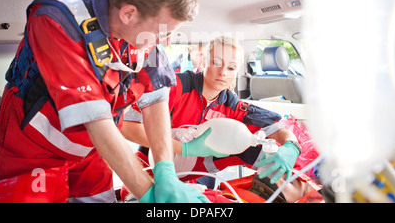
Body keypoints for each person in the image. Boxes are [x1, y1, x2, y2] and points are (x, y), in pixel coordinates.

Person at [0, 0, 209, 203]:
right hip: (33, 154)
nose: (167, 40)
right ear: (129, 13)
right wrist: (152, 197)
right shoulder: (55, 21)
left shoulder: (144, 32)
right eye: (162, 32)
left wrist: (166, 171)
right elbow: (95, 120)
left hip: (92, 152)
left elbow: (155, 99)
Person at [121, 36, 302, 195]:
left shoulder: (233, 107)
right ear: (203, 62)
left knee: (257, 149)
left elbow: (277, 127)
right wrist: (183, 148)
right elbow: (127, 127)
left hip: (194, 178)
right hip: (148, 169)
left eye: (231, 67)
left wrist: (291, 147)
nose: (223, 72)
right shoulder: (176, 87)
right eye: (216, 62)